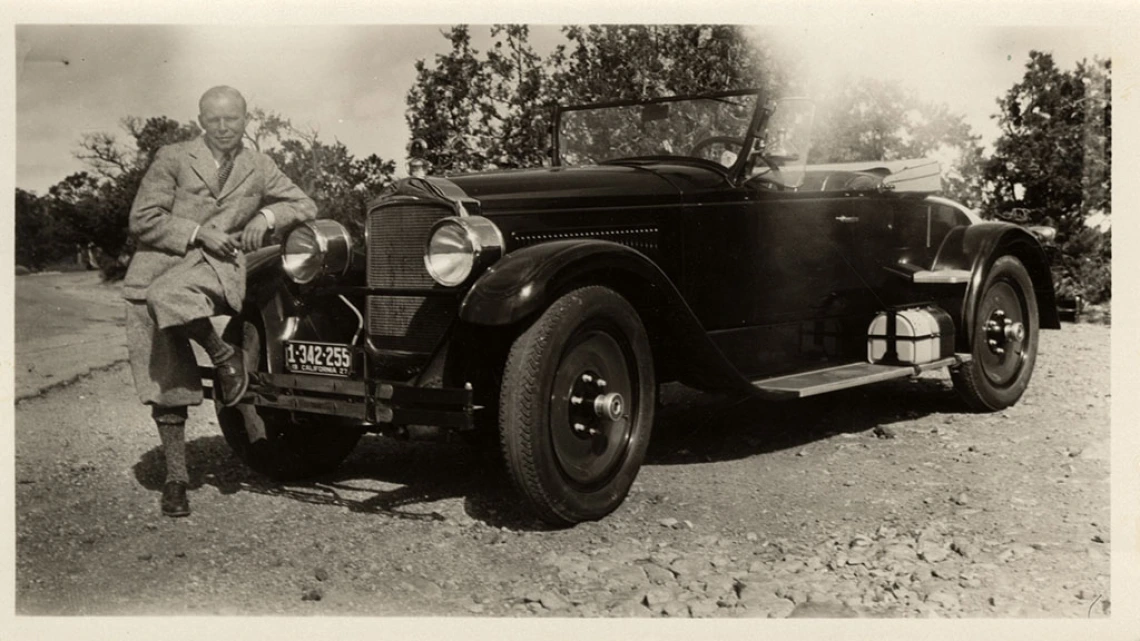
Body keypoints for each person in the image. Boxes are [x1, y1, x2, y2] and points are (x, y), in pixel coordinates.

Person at [123, 86, 317, 517]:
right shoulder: (173, 157)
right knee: (166, 381)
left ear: (246, 120)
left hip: (216, 268)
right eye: (214, 119)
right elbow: (143, 219)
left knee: (168, 298)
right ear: (201, 121)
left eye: (233, 119)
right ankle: (176, 479)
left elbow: (303, 203)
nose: (224, 127)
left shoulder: (259, 165)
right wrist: (195, 232)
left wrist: (267, 216)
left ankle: (223, 356)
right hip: (158, 267)